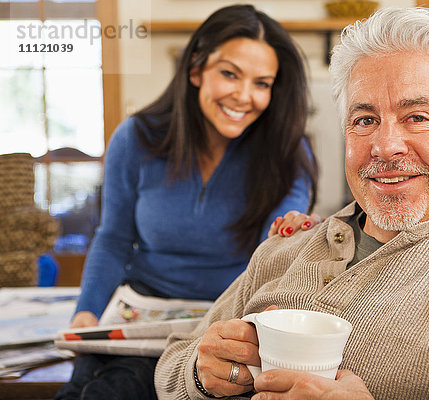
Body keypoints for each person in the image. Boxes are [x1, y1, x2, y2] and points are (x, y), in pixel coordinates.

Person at [154, 7, 429, 400]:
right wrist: (200, 372)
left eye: (417, 117)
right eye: (365, 119)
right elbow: (171, 366)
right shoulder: (283, 249)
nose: (385, 145)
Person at [54, 5, 320, 400]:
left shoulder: (288, 152)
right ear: (196, 69)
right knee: (84, 384)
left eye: (262, 83)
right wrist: (86, 313)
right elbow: (112, 238)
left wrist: (295, 234)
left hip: (226, 316)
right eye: (229, 74)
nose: (244, 95)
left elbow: (277, 250)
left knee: (117, 388)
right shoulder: (135, 137)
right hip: (141, 306)